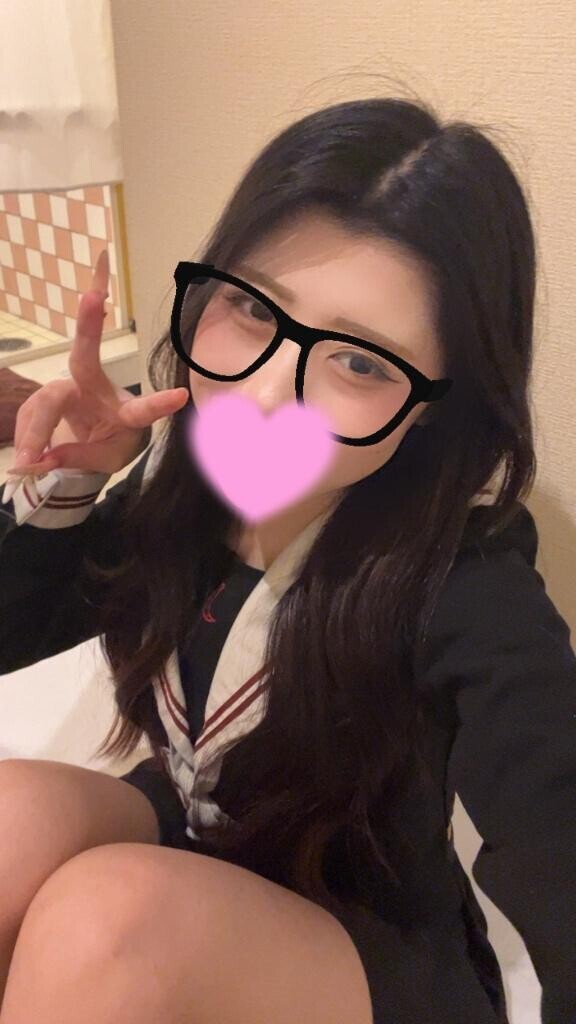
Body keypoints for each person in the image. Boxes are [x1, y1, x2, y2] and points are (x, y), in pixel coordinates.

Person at [0, 94, 574, 1024]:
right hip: (196, 841)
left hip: (368, 938)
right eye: (249, 306)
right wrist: (72, 484)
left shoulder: (466, 585)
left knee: (101, 919)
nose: (266, 396)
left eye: (361, 363)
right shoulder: (185, 487)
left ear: (438, 409)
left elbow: (554, 820)